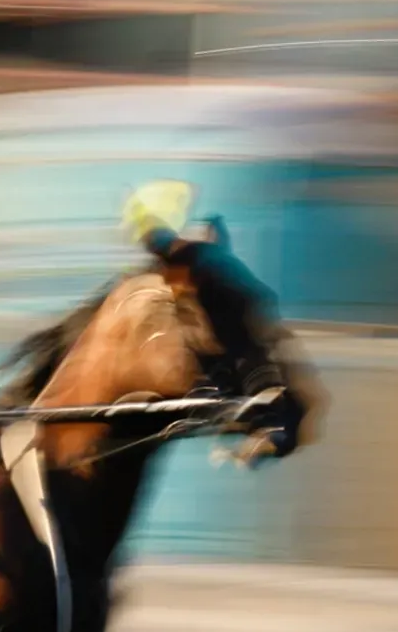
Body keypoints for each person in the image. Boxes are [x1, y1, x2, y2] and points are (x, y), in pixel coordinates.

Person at [122, 181, 309, 459]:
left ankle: (249, 396)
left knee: (224, 328)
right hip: (231, 347)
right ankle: (232, 388)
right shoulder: (186, 267)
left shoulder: (206, 268)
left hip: (239, 347)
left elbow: (248, 313)